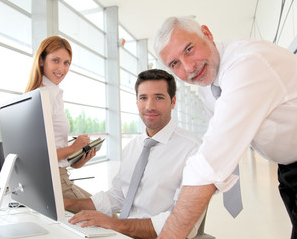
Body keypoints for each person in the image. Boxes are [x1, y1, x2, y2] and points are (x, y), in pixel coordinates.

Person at [154, 16, 297, 239]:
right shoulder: (207, 84)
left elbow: (212, 160)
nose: (189, 67)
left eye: (189, 49)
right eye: (175, 64)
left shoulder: (248, 64)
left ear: (207, 34)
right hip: (289, 169)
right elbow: (215, 139)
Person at [64, 69, 205, 239]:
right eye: (143, 98)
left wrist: (115, 224)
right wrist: (65, 203)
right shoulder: (133, 146)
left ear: (173, 102)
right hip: (124, 232)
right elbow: (117, 196)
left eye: (159, 97)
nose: (149, 106)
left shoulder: (193, 150)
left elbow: (182, 223)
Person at [25, 36, 97, 199]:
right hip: (54, 179)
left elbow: (51, 151)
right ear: (42, 60)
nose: (61, 68)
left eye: (66, 63)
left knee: (104, 209)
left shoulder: (48, 93)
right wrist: (74, 147)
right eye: (55, 60)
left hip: (58, 175)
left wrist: (78, 158)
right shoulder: (45, 95)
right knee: (108, 216)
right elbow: (39, 156)